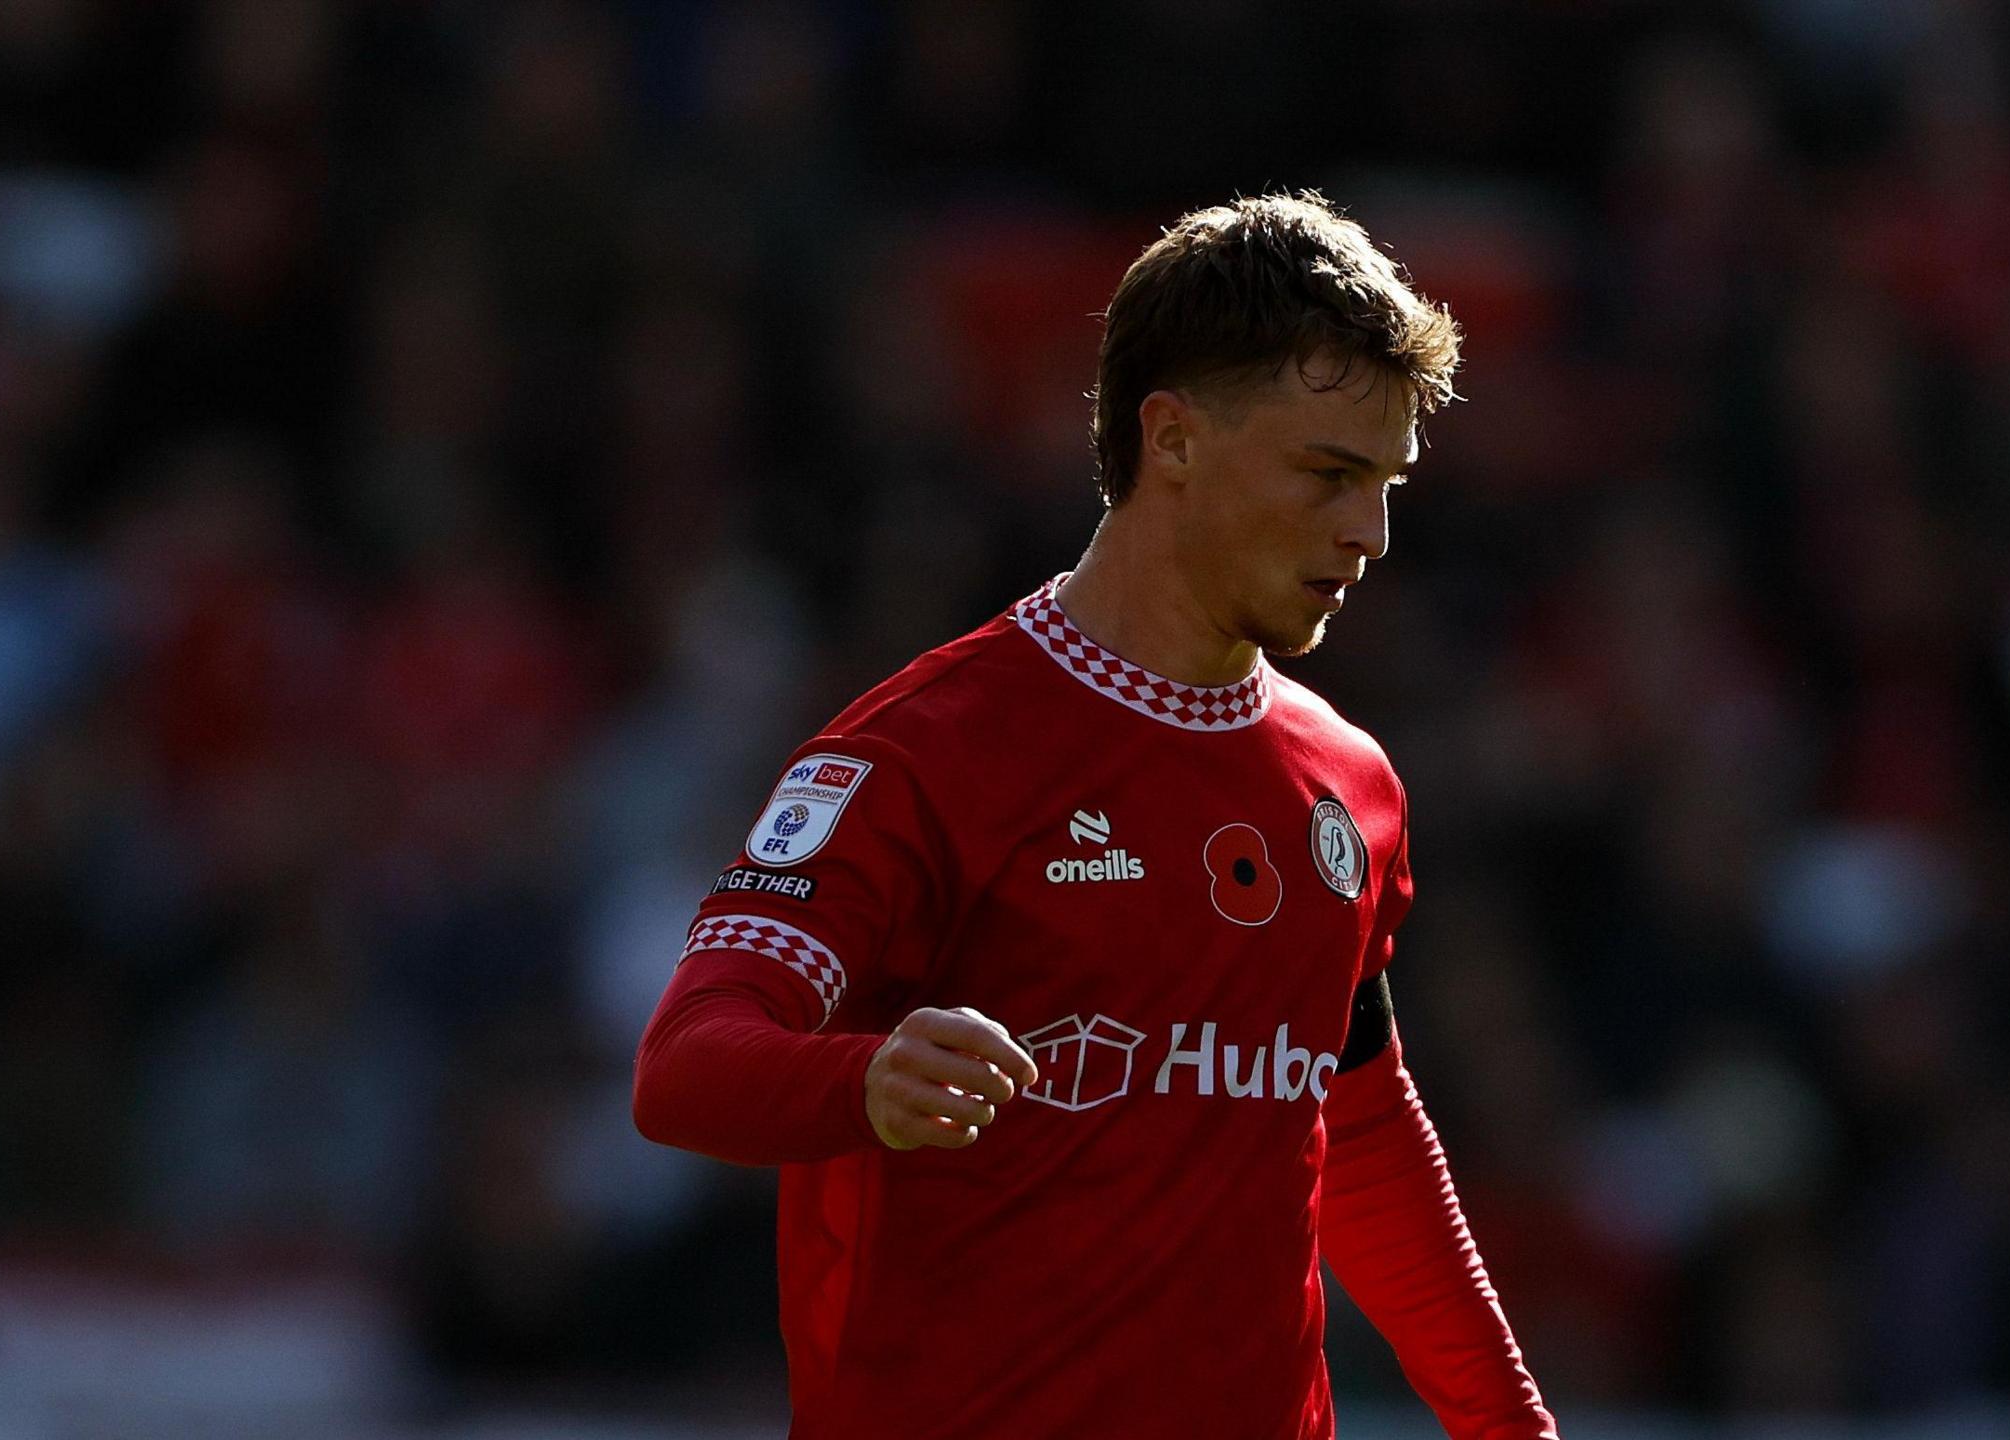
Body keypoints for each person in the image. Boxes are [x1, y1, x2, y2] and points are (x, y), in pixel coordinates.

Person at [633, 191, 1559, 1440]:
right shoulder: (924, 752)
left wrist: (1512, 1428)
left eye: (1387, 483)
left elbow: (1359, 1126)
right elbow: (685, 1066)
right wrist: (868, 1079)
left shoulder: (1350, 782)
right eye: (1330, 474)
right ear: (1169, 437)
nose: (1371, 531)